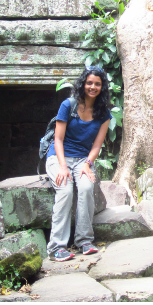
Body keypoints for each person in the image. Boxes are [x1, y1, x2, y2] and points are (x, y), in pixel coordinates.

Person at [45, 66, 112, 261]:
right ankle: (56, 247)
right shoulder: (69, 105)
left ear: (102, 87)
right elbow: (58, 140)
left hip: (83, 159)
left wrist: (87, 164)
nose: (93, 87)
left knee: (85, 187)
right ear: (83, 84)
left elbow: (97, 145)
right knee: (65, 190)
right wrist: (63, 166)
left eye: (97, 84)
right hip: (58, 157)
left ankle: (84, 241)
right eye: (89, 83)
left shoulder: (103, 113)